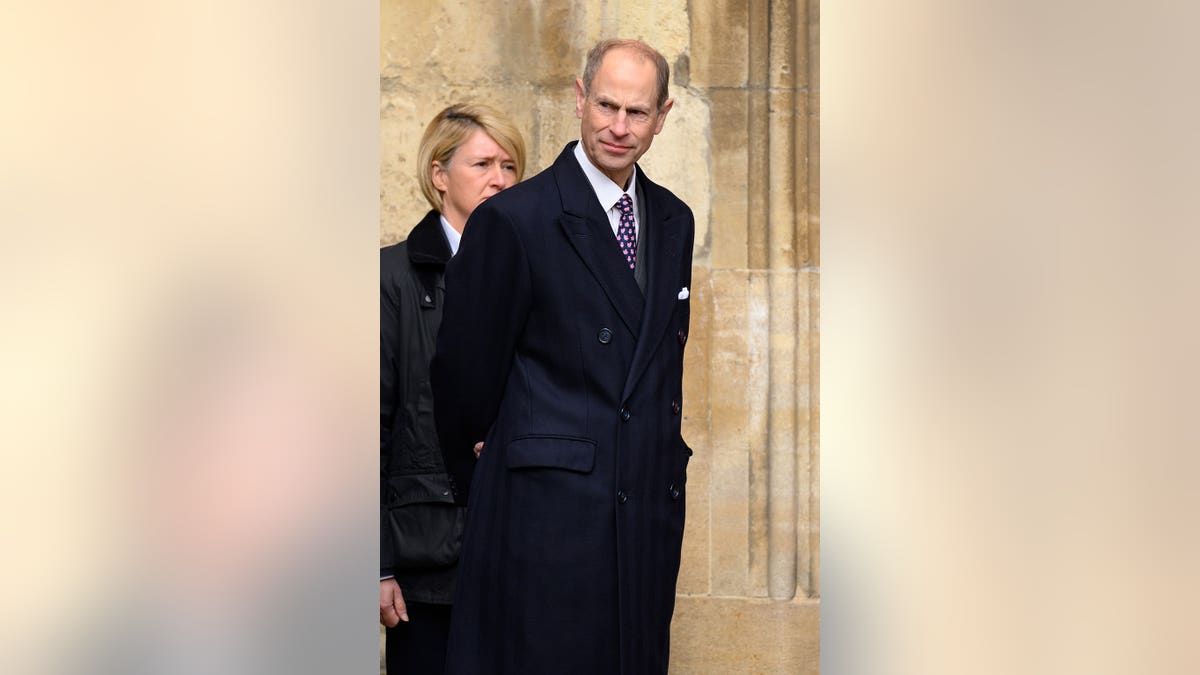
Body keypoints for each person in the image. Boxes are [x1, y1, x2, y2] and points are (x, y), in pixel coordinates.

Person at [431, 39, 694, 674]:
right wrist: (503, 474)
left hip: (643, 514)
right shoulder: (516, 219)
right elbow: (463, 381)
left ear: (663, 115)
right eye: (606, 105)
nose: (619, 127)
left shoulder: (672, 220)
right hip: (547, 520)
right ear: (580, 99)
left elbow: (658, 370)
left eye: (637, 112)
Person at [380, 103, 525, 674]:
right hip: (423, 559)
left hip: (516, 549)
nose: (500, 180)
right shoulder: (391, 278)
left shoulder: (533, 272)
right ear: (439, 176)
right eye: (483, 163)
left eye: (510, 166)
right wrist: (377, 565)